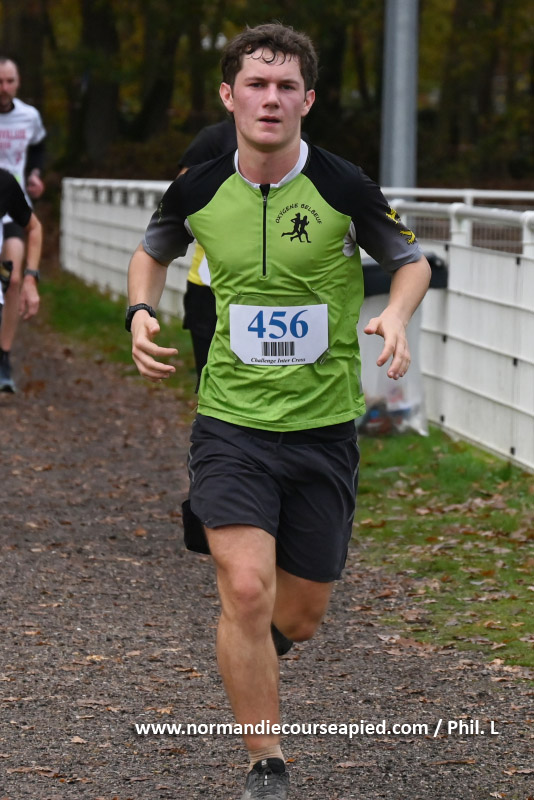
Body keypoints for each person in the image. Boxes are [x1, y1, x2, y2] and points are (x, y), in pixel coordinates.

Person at [126, 22, 431, 800]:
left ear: (308, 100)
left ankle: (253, 647)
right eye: (256, 85)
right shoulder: (198, 185)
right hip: (231, 420)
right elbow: (153, 249)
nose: (271, 98)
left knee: (296, 617)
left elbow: (410, 261)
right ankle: (267, 764)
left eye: (286, 86)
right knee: (246, 588)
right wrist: (139, 311)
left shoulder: (342, 185)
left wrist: (396, 314)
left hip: (323, 426)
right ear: (229, 96)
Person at [0, 57, 46, 392]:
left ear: (18, 83)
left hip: (12, 203)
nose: (3, 88)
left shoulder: (29, 116)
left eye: (9, 81)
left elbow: (40, 146)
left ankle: (3, 357)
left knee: (12, 276)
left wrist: (35, 174)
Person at [177, 120, 237, 379]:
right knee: (211, 379)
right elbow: (180, 197)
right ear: (229, 99)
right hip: (210, 285)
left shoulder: (298, 140)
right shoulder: (215, 138)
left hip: (273, 287)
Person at [0, 168, 42, 379]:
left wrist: (30, 278)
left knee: (12, 280)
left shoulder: (4, 183)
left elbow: (34, 228)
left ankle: (4, 356)